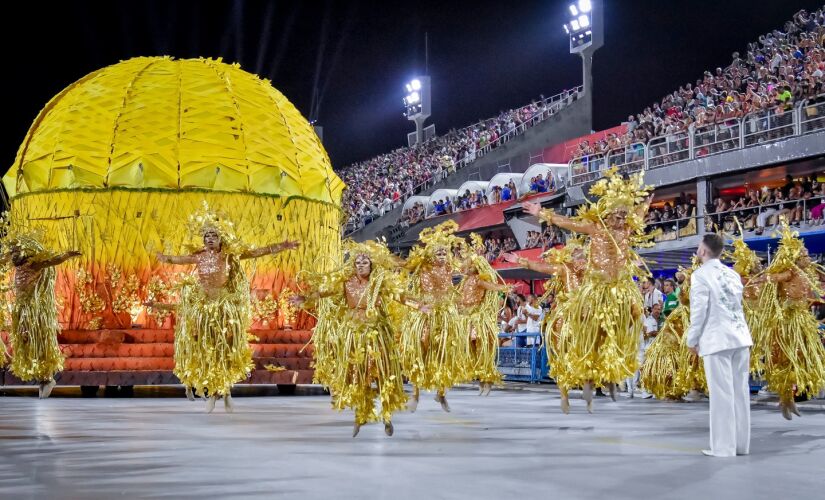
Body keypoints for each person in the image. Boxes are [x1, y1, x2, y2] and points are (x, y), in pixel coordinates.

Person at [523, 168, 652, 412]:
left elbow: (639, 215)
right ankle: (584, 379)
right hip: (596, 290)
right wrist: (542, 213)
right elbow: (567, 222)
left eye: (625, 214)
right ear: (608, 212)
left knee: (634, 315)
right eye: (618, 214)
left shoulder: (626, 230)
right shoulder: (595, 230)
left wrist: (645, 204)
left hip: (620, 289)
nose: (622, 218)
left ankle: (612, 374)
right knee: (589, 330)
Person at [151, 202, 299, 413]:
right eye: (206, 236)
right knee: (208, 350)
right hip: (203, 309)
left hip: (224, 309)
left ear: (221, 238)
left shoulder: (229, 255)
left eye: (213, 235)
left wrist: (281, 246)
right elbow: (177, 259)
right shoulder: (199, 256)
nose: (209, 239)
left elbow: (256, 252)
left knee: (226, 350)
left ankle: (227, 391)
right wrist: (164, 258)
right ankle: (212, 392)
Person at [291, 240, 423, 437]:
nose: (361, 265)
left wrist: (418, 306)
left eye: (364, 262)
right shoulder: (346, 282)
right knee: (358, 375)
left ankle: (387, 415)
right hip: (354, 334)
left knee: (383, 371)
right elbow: (325, 292)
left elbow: (399, 296)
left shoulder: (380, 281)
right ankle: (360, 415)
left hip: (377, 332)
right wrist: (306, 299)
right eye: (358, 262)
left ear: (371, 265)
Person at [749, 219, 825, 420]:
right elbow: (769, 279)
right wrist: (759, 278)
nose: (807, 257)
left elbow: (814, 294)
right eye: (804, 254)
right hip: (787, 323)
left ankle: (790, 397)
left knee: (803, 357)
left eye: (807, 254)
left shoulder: (807, 274)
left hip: (803, 321)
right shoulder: (789, 273)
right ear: (796, 257)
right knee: (785, 358)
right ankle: (785, 398)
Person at [685, 233, 752, 458]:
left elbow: (699, 311)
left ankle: (723, 448)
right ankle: (741, 445)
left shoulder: (700, 275)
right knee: (740, 393)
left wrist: (692, 340)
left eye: (698, 247)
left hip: (717, 339)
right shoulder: (732, 274)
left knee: (721, 395)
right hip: (740, 337)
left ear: (703, 251)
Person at [503, 241, 587, 413]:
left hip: (585, 314)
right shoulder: (564, 270)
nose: (581, 259)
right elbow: (542, 268)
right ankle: (564, 394)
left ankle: (588, 381)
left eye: (583, 256)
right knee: (561, 352)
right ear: (570, 258)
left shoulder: (590, 273)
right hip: (566, 314)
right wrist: (521, 260)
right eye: (577, 255)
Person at [1, 227, 81, 399]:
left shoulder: (34, 264)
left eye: (16, 251)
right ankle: (43, 376)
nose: (13, 254)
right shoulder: (18, 266)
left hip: (34, 311)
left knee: (36, 341)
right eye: (12, 251)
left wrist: (66, 255)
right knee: (24, 341)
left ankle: (47, 377)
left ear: (25, 252)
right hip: (21, 309)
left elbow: (53, 260)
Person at [401, 221, 465, 412]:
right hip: (426, 313)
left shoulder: (448, 269)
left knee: (445, 352)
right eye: (439, 252)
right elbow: (404, 265)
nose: (442, 256)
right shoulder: (422, 266)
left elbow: (451, 287)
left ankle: (441, 393)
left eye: (445, 252)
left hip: (445, 315)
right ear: (430, 253)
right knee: (421, 345)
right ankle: (415, 395)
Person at [458, 234, 510, 396]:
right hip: (466, 319)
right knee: (471, 349)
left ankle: (486, 379)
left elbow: (492, 286)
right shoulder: (463, 283)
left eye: (468, 266)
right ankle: (480, 377)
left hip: (477, 319)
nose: (465, 268)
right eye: (464, 266)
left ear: (475, 267)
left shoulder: (478, 280)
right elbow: (458, 299)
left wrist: (505, 288)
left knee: (482, 349)